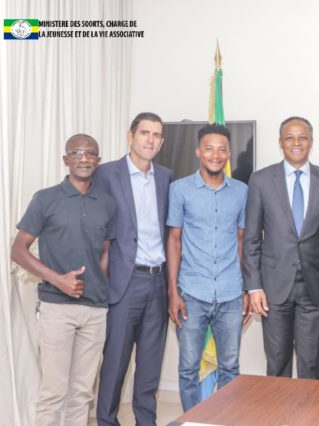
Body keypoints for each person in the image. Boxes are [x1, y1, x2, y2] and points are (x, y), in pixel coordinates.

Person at [11, 134, 116, 425]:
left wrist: (98, 283)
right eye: (77, 153)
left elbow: (106, 250)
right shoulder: (45, 199)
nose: (84, 158)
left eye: (90, 154)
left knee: (82, 393)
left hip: (95, 311)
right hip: (56, 308)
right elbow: (18, 251)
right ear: (66, 159)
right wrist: (58, 280)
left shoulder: (107, 203)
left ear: (98, 160)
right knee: (53, 392)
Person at [243, 116, 319, 378]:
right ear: (281, 142)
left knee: (310, 363)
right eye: (290, 138)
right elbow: (252, 238)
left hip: (315, 285)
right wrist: (254, 286)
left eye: (302, 137)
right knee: (277, 362)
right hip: (274, 285)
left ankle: (309, 407)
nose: (296, 143)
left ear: (310, 142)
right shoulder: (261, 180)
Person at [95, 112, 173, 425]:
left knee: (150, 366)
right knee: (115, 363)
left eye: (156, 135)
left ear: (161, 142)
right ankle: (106, 421)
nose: (150, 140)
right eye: (144, 133)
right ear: (131, 136)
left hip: (158, 282)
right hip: (124, 282)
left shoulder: (166, 177)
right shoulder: (106, 174)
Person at [166, 124, 250, 411]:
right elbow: (174, 241)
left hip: (230, 293)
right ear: (198, 152)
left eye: (222, 149)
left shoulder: (241, 191)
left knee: (231, 367)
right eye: (209, 149)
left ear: (228, 153)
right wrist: (173, 292)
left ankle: (224, 419)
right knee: (188, 367)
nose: (216, 155)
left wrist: (246, 289)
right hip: (191, 292)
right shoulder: (179, 190)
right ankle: (192, 421)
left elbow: (241, 241)